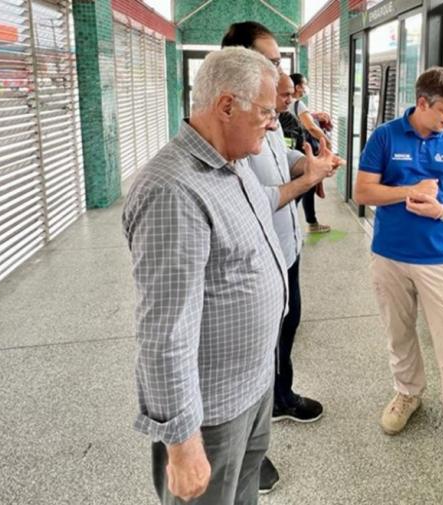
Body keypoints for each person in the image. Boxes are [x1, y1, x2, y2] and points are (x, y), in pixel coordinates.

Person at [122, 47, 326, 505]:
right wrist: (182, 442)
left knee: (244, 490)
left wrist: (306, 178)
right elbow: (164, 333)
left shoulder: (230, 162)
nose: (275, 124)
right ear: (227, 105)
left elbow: (260, 206)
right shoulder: (173, 191)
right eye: (267, 112)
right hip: (210, 411)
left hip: (252, 386)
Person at [352, 67, 443, 490]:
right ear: (422, 103)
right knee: (399, 334)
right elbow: (363, 192)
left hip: (438, 261)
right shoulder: (385, 137)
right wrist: (411, 191)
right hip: (389, 258)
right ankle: (408, 393)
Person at [220, 20, 343, 495]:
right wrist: (306, 182)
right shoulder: (233, 121)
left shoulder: (266, 113)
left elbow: (281, 153)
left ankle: (282, 397)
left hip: (284, 248)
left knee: (287, 326)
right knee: (255, 349)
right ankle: (253, 449)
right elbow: (252, 198)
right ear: (240, 63)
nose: (281, 70)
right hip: (253, 258)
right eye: (271, 60)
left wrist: (306, 163)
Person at [290, 73, 332, 234]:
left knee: (307, 187)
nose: (306, 87)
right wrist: (326, 142)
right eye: (304, 84)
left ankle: (312, 222)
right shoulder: (298, 105)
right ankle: (296, 223)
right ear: (298, 86)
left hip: (291, 149)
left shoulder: (283, 104)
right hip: (302, 151)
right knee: (304, 187)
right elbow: (311, 128)